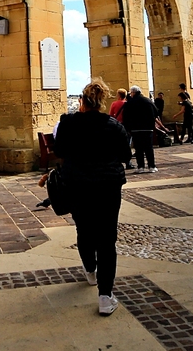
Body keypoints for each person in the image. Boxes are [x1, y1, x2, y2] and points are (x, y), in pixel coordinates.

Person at [49, 79, 131, 316]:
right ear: (102, 101)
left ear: (82, 101)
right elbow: (125, 155)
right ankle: (105, 297)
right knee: (107, 239)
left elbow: (60, 151)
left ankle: (90, 271)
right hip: (108, 187)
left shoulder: (68, 123)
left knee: (84, 230)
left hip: (77, 184)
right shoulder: (114, 126)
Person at [122, 85, 158, 174]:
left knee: (138, 149)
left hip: (135, 129)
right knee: (149, 148)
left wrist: (128, 128)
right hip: (148, 129)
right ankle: (152, 166)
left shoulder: (129, 103)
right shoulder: (148, 101)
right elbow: (156, 112)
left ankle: (140, 167)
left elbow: (125, 116)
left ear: (133, 92)